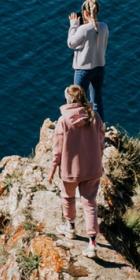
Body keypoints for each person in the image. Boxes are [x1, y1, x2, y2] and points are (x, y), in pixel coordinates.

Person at [48, 84, 106, 256]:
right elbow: (102, 140)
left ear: (68, 100)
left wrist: (52, 170)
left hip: (70, 169)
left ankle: (70, 227)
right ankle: (92, 244)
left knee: (68, 197)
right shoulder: (94, 116)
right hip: (92, 168)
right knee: (90, 205)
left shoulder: (63, 120)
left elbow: (57, 149)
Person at [66, 0, 109, 122]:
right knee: (96, 99)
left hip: (83, 70)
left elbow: (71, 43)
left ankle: (79, 129)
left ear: (85, 12)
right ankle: (99, 129)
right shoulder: (104, 26)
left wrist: (73, 25)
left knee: (77, 100)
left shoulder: (84, 29)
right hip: (99, 68)